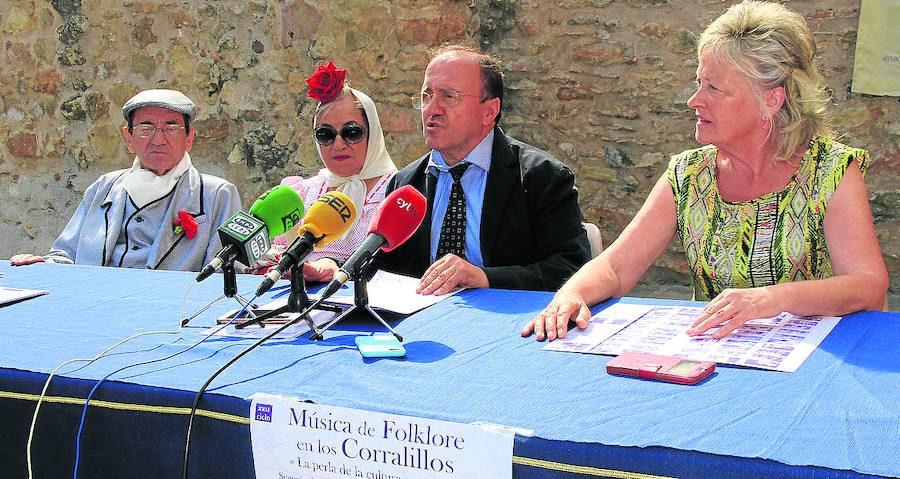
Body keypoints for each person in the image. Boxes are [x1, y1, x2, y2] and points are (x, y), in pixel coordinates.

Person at [522, 0, 888, 341]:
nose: (694, 100)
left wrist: (767, 300)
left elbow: (868, 286)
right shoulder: (689, 174)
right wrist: (570, 294)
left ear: (771, 100)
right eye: (699, 82)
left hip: (819, 361)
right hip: (715, 359)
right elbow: (617, 267)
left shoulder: (831, 171)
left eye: (714, 88)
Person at [374, 45, 591, 293]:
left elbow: (571, 268)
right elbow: (381, 267)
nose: (431, 109)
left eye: (448, 96)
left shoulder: (541, 177)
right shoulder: (405, 184)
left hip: (510, 323)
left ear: (489, 111)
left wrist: (484, 277)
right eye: (426, 96)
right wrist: (333, 269)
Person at [10, 89, 242, 272]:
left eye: (171, 127)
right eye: (146, 127)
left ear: (189, 138)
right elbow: (65, 256)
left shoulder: (217, 194)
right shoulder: (104, 187)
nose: (158, 139)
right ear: (129, 138)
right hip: (96, 303)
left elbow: (224, 272)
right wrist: (44, 266)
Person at [250, 61, 397, 282]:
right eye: (326, 134)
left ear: (373, 133)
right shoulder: (298, 193)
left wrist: (331, 266)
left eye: (351, 132)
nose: (338, 144)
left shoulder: (396, 192)